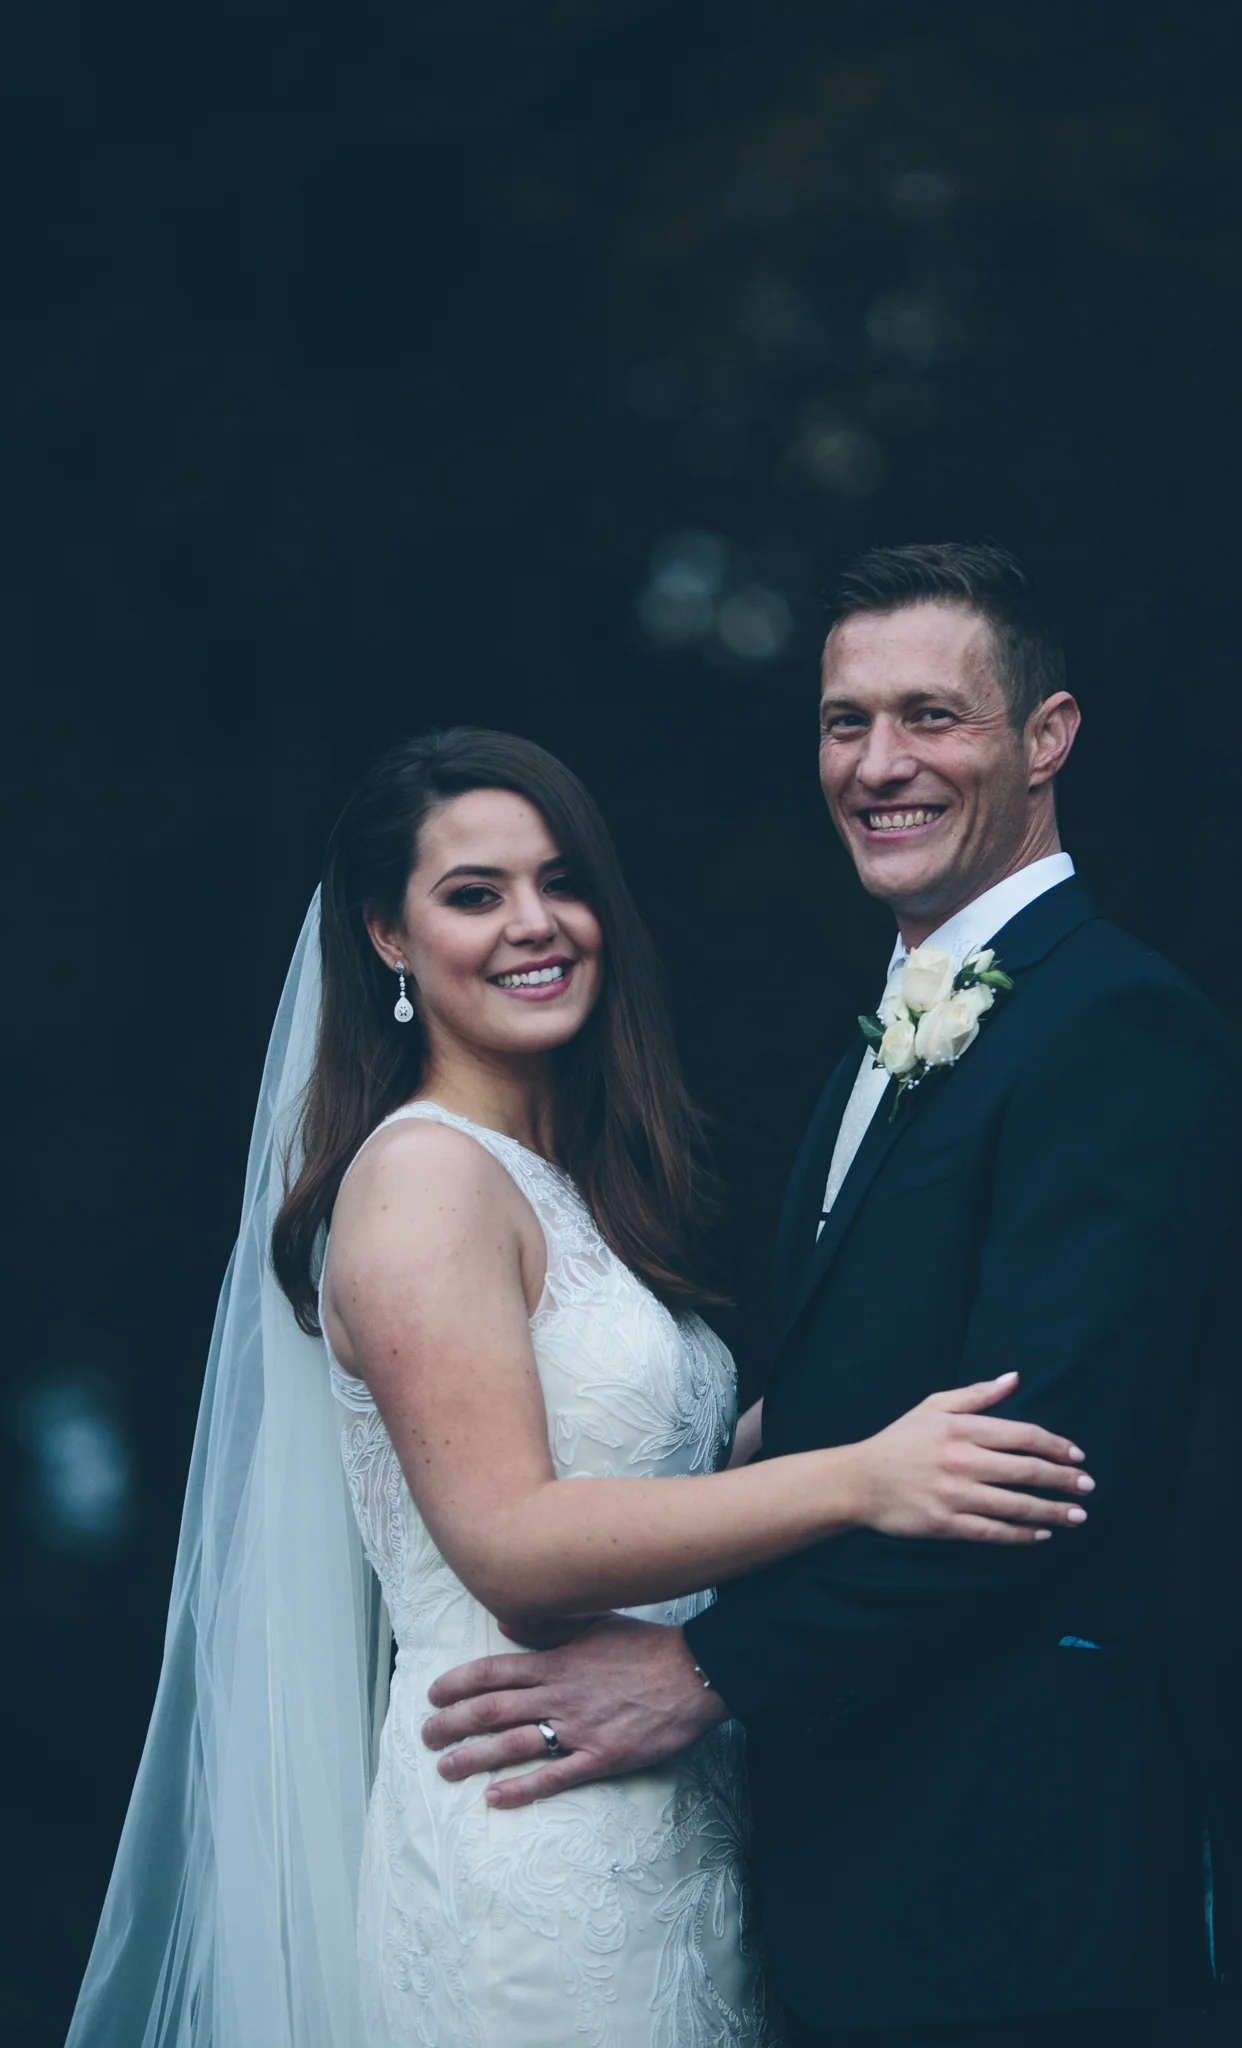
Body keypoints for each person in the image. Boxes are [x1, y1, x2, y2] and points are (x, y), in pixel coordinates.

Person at [66, 723, 1095, 2048]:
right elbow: (514, 1544)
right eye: (474, 894)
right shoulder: (422, 1179)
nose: (535, 925)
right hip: (527, 1841)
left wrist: (881, 1386)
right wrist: (862, 1480)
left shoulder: (555, 1183)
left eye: (561, 881)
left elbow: (654, 1481)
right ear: (387, 935)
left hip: (662, 1818)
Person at [419, 548, 1242, 2048]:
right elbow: (859, 1399)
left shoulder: (1116, 1027)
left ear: (1046, 737)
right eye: (842, 722)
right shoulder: (893, 1025)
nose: (879, 766)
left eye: (932, 717)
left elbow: (1035, 1471)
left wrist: (700, 1670)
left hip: (1008, 1869)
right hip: (840, 1847)